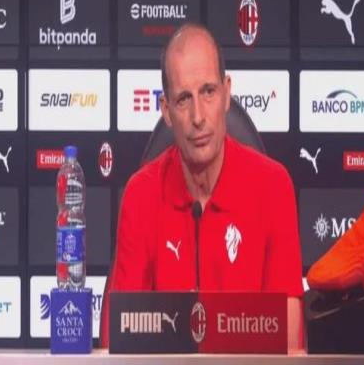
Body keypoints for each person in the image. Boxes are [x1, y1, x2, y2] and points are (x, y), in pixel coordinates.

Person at [101, 23, 303, 352]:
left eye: (208, 92)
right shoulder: (141, 194)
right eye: (184, 99)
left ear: (227, 93)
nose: (198, 116)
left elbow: (288, 345)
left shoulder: (273, 187)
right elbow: (119, 342)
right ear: (167, 111)